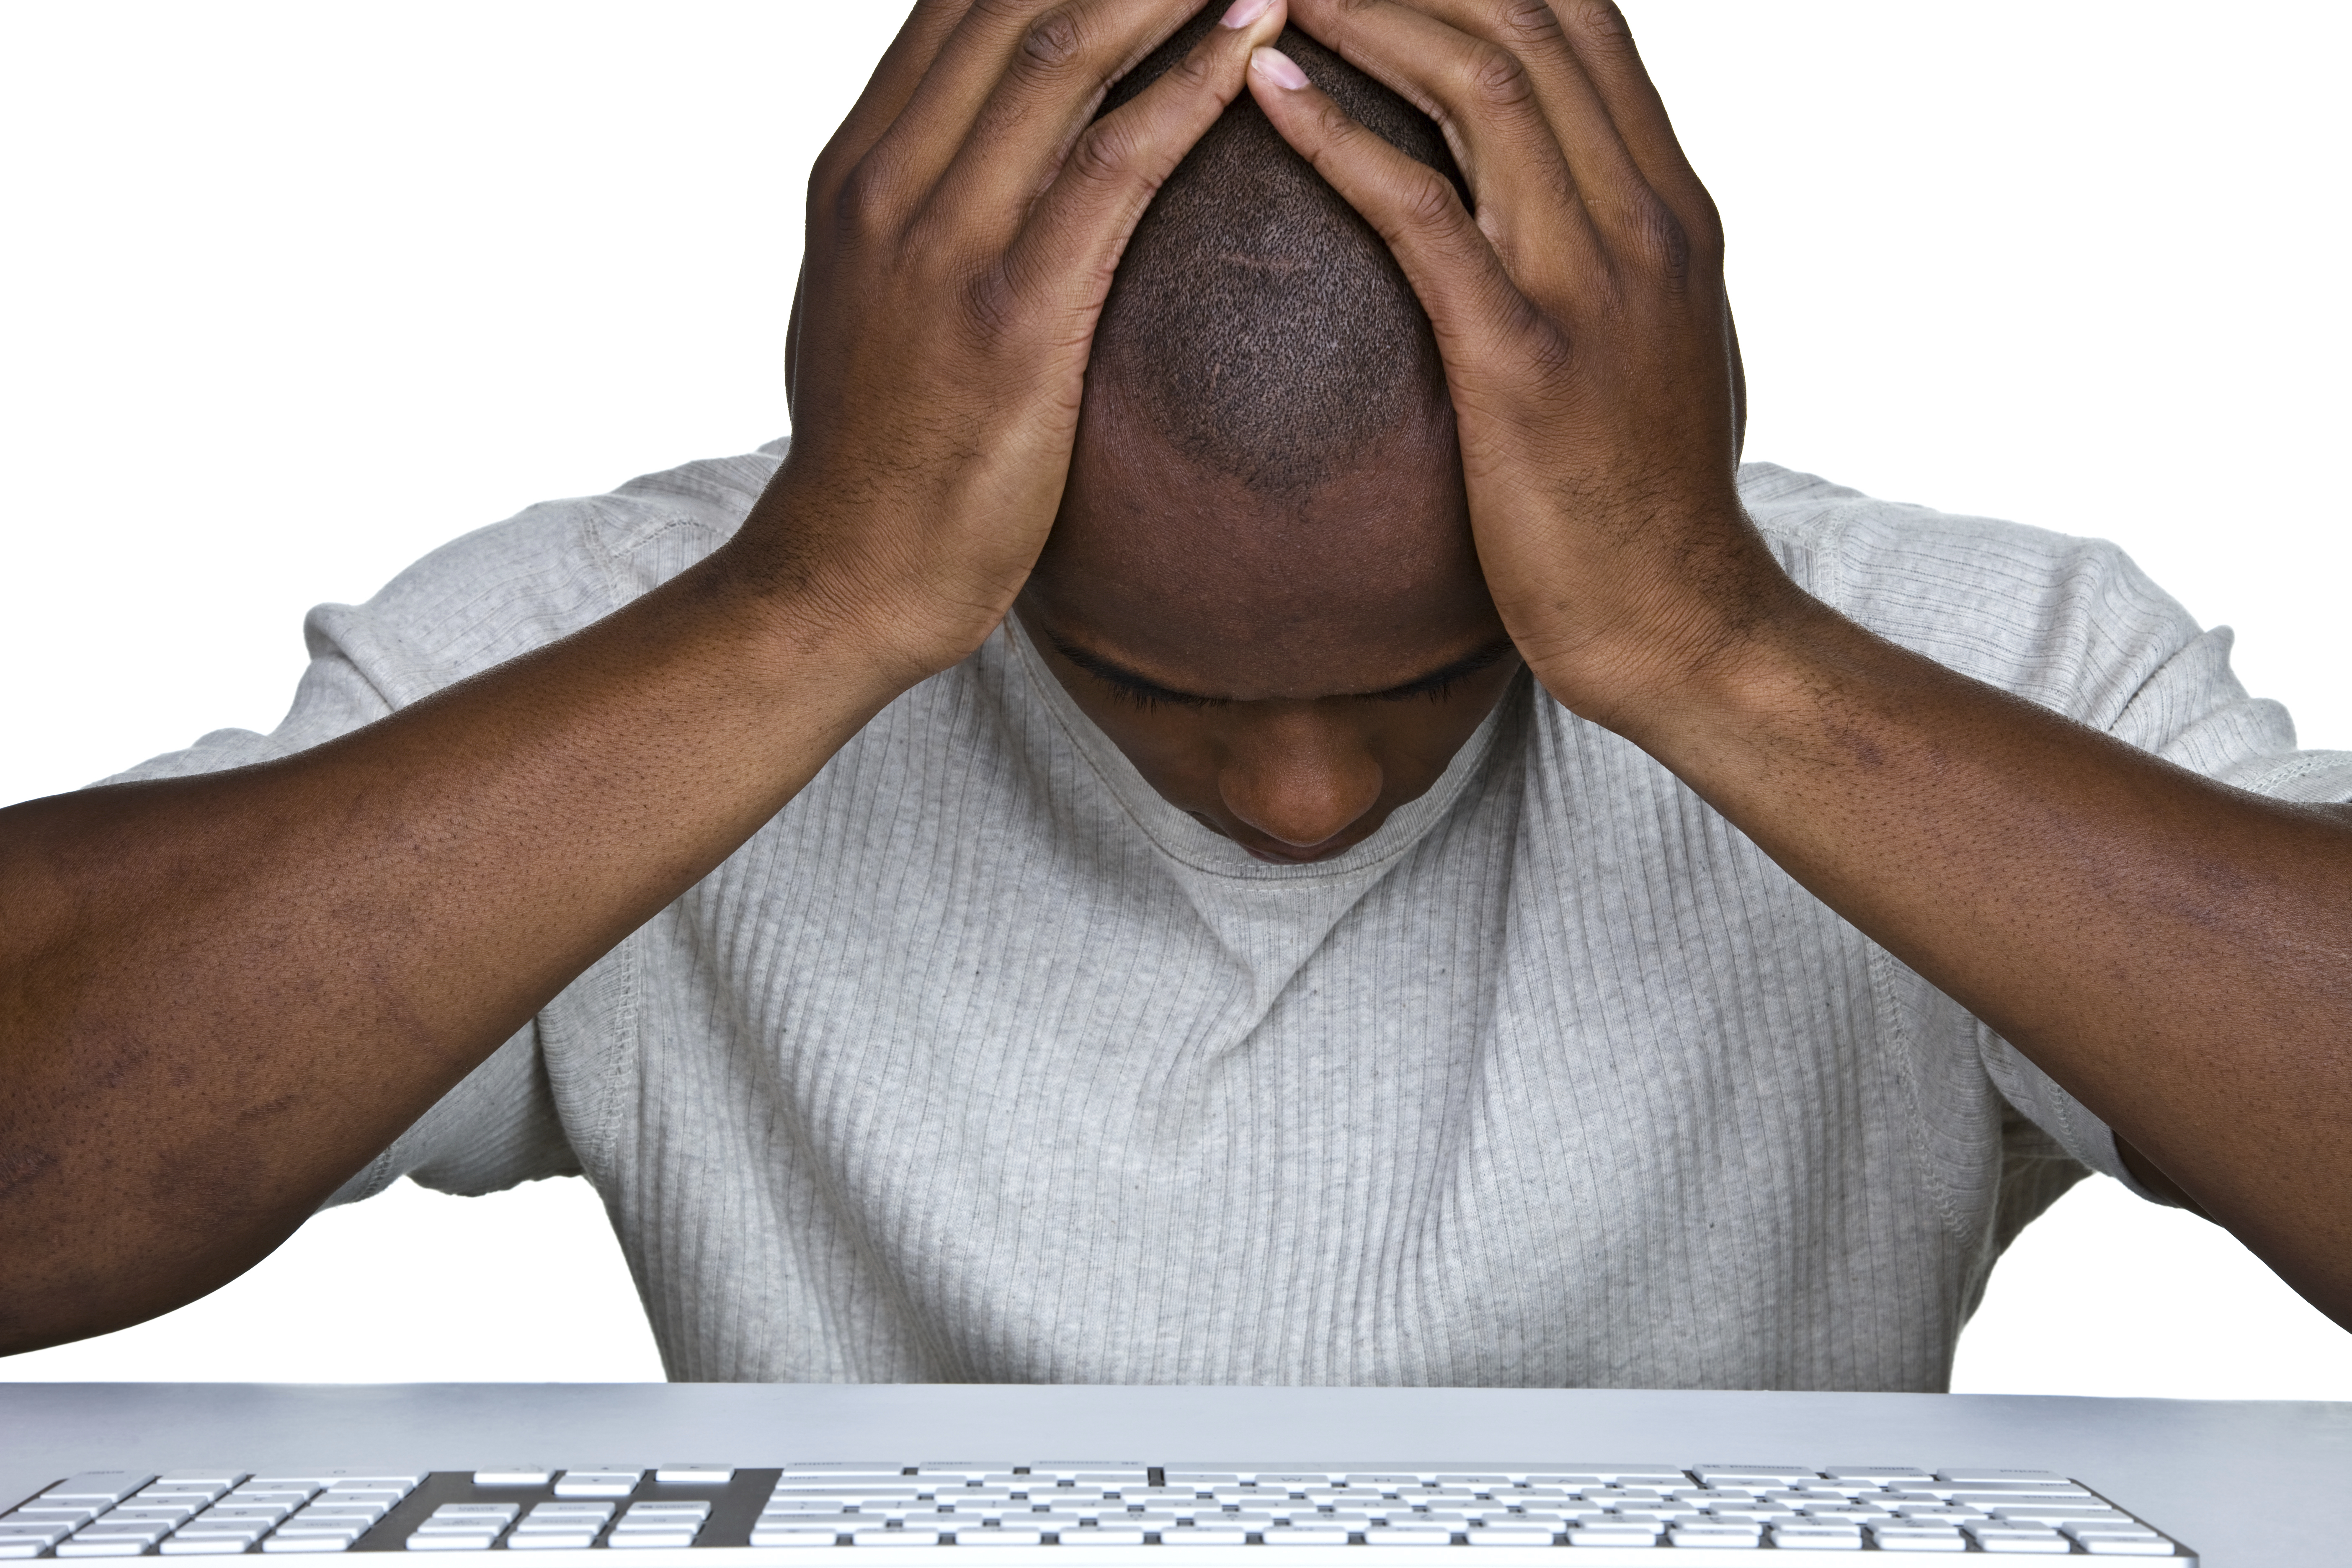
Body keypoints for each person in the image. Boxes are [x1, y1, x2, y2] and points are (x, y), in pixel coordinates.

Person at [1, 0, 2346, 1385]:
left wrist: (1706, 652)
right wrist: (814, 614)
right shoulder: (670, 638)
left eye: (1468, 670)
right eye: (1130, 673)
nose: (1313, 797)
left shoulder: (1948, 666)